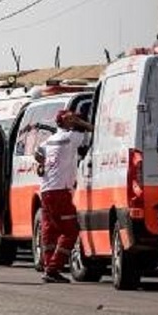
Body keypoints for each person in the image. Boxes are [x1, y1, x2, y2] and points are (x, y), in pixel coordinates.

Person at [33, 110, 93, 284]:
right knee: (70, 230)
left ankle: (48, 267)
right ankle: (53, 268)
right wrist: (80, 122)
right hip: (60, 191)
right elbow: (94, 129)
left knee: (50, 231)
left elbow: (37, 153)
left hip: (46, 191)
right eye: (71, 118)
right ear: (67, 122)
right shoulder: (70, 138)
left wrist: (42, 164)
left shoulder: (49, 140)